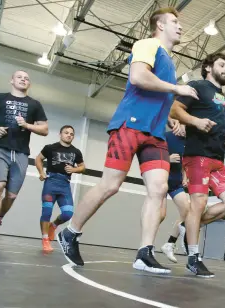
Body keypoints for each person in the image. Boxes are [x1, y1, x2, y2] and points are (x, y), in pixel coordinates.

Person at [57, 7, 198, 274]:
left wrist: (169, 118)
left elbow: (157, 94)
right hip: (129, 126)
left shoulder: (168, 61)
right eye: (175, 22)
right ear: (160, 26)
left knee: (158, 190)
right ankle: (70, 232)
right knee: (110, 185)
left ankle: (144, 253)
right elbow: (137, 77)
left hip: (155, 135)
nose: (180, 27)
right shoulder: (147, 44)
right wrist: (176, 88)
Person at [170, 52, 225, 278]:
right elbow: (174, 109)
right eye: (222, 64)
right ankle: (193, 257)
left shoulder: (223, 98)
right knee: (197, 204)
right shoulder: (197, 86)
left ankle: (187, 227)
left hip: (218, 159)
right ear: (208, 68)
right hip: (197, 155)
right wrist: (195, 121)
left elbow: (221, 125)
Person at [0, 70, 49, 246]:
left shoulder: (35, 104)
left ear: (29, 84)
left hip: (21, 152)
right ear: (11, 80)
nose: (23, 80)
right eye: (19, 77)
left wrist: (26, 125)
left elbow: (45, 129)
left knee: (11, 195)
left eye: (26, 78)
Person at [35, 125, 85, 253]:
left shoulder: (76, 152)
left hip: (65, 184)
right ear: (60, 134)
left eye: (71, 134)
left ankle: (54, 225)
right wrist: (41, 172)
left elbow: (82, 167)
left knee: (68, 214)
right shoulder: (50, 148)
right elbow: (38, 159)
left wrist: (74, 169)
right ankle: (45, 239)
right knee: (46, 212)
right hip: (50, 182)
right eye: (66, 133)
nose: (69, 135)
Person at [160, 123, 190, 263]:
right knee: (160, 215)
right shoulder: (165, 137)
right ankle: (146, 247)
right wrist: (167, 159)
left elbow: (185, 163)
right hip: (160, 180)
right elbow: (150, 158)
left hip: (176, 182)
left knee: (187, 209)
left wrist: (185, 177)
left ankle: (169, 244)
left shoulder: (189, 141)